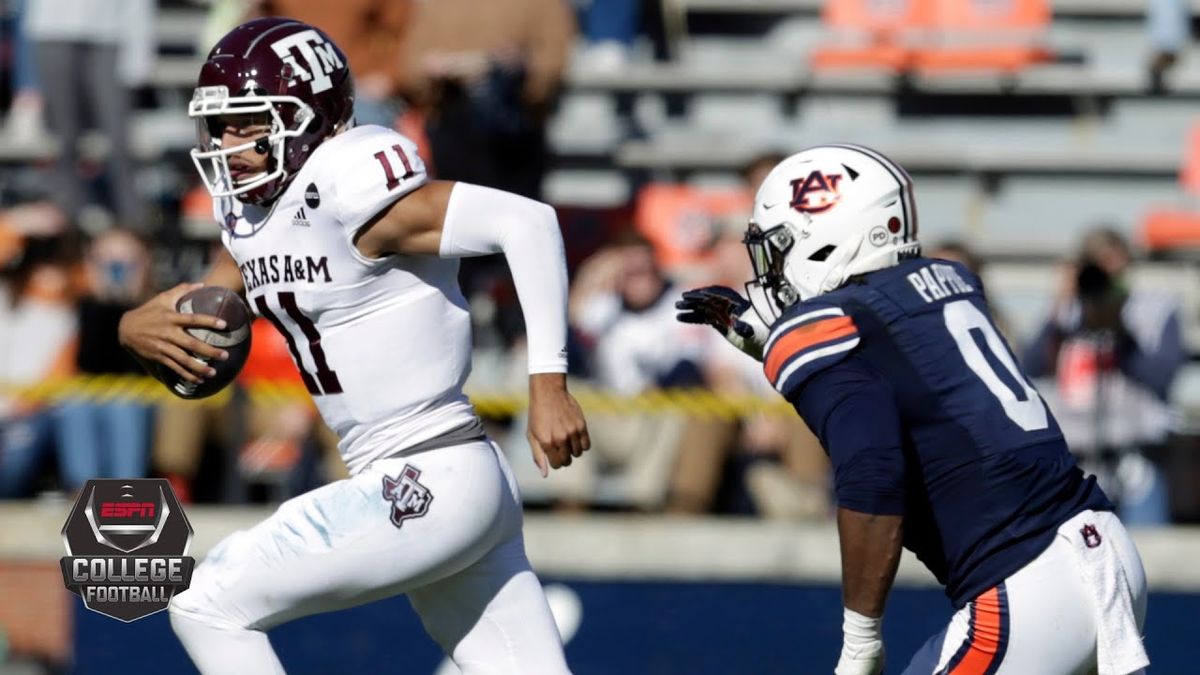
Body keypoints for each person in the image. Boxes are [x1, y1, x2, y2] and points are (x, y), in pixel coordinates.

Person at [117, 19, 588, 674]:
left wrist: (549, 383)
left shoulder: (351, 182)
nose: (228, 144)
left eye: (250, 122)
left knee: (205, 601)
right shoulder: (251, 212)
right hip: (444, 480)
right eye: (219, 126)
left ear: (310, 116)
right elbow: (217, 307)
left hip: (426, 472)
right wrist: (133, 327)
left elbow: (526, 221)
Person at [676, 144, 1149, 674]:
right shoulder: (951, 281)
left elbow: (873, 474)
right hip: (1103, 549)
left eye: (780, 248)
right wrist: (773, 342)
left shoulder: (818, 328)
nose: (773, 270)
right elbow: (910, 368)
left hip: (1026, 586)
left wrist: (860, 641)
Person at [1023, 227, 1185, 526]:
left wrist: (1121, 333)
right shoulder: (1066, 312)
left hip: (1135, 460)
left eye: (1113, 263)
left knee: (1148, 557)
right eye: (1097, 264)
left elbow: (1161, 377)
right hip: (1075, 461)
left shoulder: (1155, 309)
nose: (1106, 273)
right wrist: (1059, 308)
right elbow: (1031, 367)